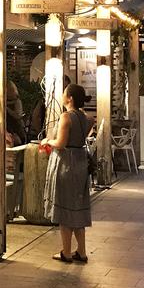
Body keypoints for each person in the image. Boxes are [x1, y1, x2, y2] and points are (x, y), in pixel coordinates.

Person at [42, 84, 92, 263]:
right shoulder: (86, 118)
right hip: (81, 164)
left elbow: (61, 143)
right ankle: (82, 251)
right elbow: (80, 136)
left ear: (69, 98)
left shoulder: (66, 117)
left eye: (64, 93)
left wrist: (48, 140)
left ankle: (67, 252)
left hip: (66, 164)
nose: (62, 96)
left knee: (65, 209)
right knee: (78, 207)